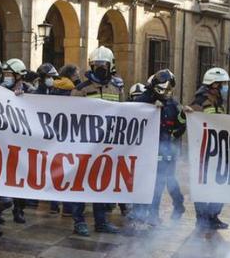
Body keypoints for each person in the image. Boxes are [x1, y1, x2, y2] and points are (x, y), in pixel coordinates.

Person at [69, 46, 125, 235]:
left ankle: (101, 221)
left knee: (101, 184)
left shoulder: (117, 89)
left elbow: (125, 113)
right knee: (81, 183)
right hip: (85, 145)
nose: (100, 67)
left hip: (107, 146)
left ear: (111, 66)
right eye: (97, 64)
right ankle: (79, 221)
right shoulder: (80, 90)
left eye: (104, 64)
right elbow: (71, 117)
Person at [130, 69, 186, 225]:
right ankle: (137, 212)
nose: (166, 93)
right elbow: (131, 119)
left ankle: (153, 214)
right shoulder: (142, 100)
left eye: (169, 89)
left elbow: (180, 127)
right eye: (163, 89)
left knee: (159, 184)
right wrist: (149, 106)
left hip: (165, 152)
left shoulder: (173, 105)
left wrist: (183, 117)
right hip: (144, 152)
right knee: (141, 182)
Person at [189, 67, 230, 231]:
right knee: (202, 185)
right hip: (203, 152)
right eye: (223, 84)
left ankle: (213, 216)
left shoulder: (218, 103)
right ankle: (202, 219)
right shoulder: (199, 102)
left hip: (218, 150)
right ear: (214, 85)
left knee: (221, 184)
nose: (225, 87)